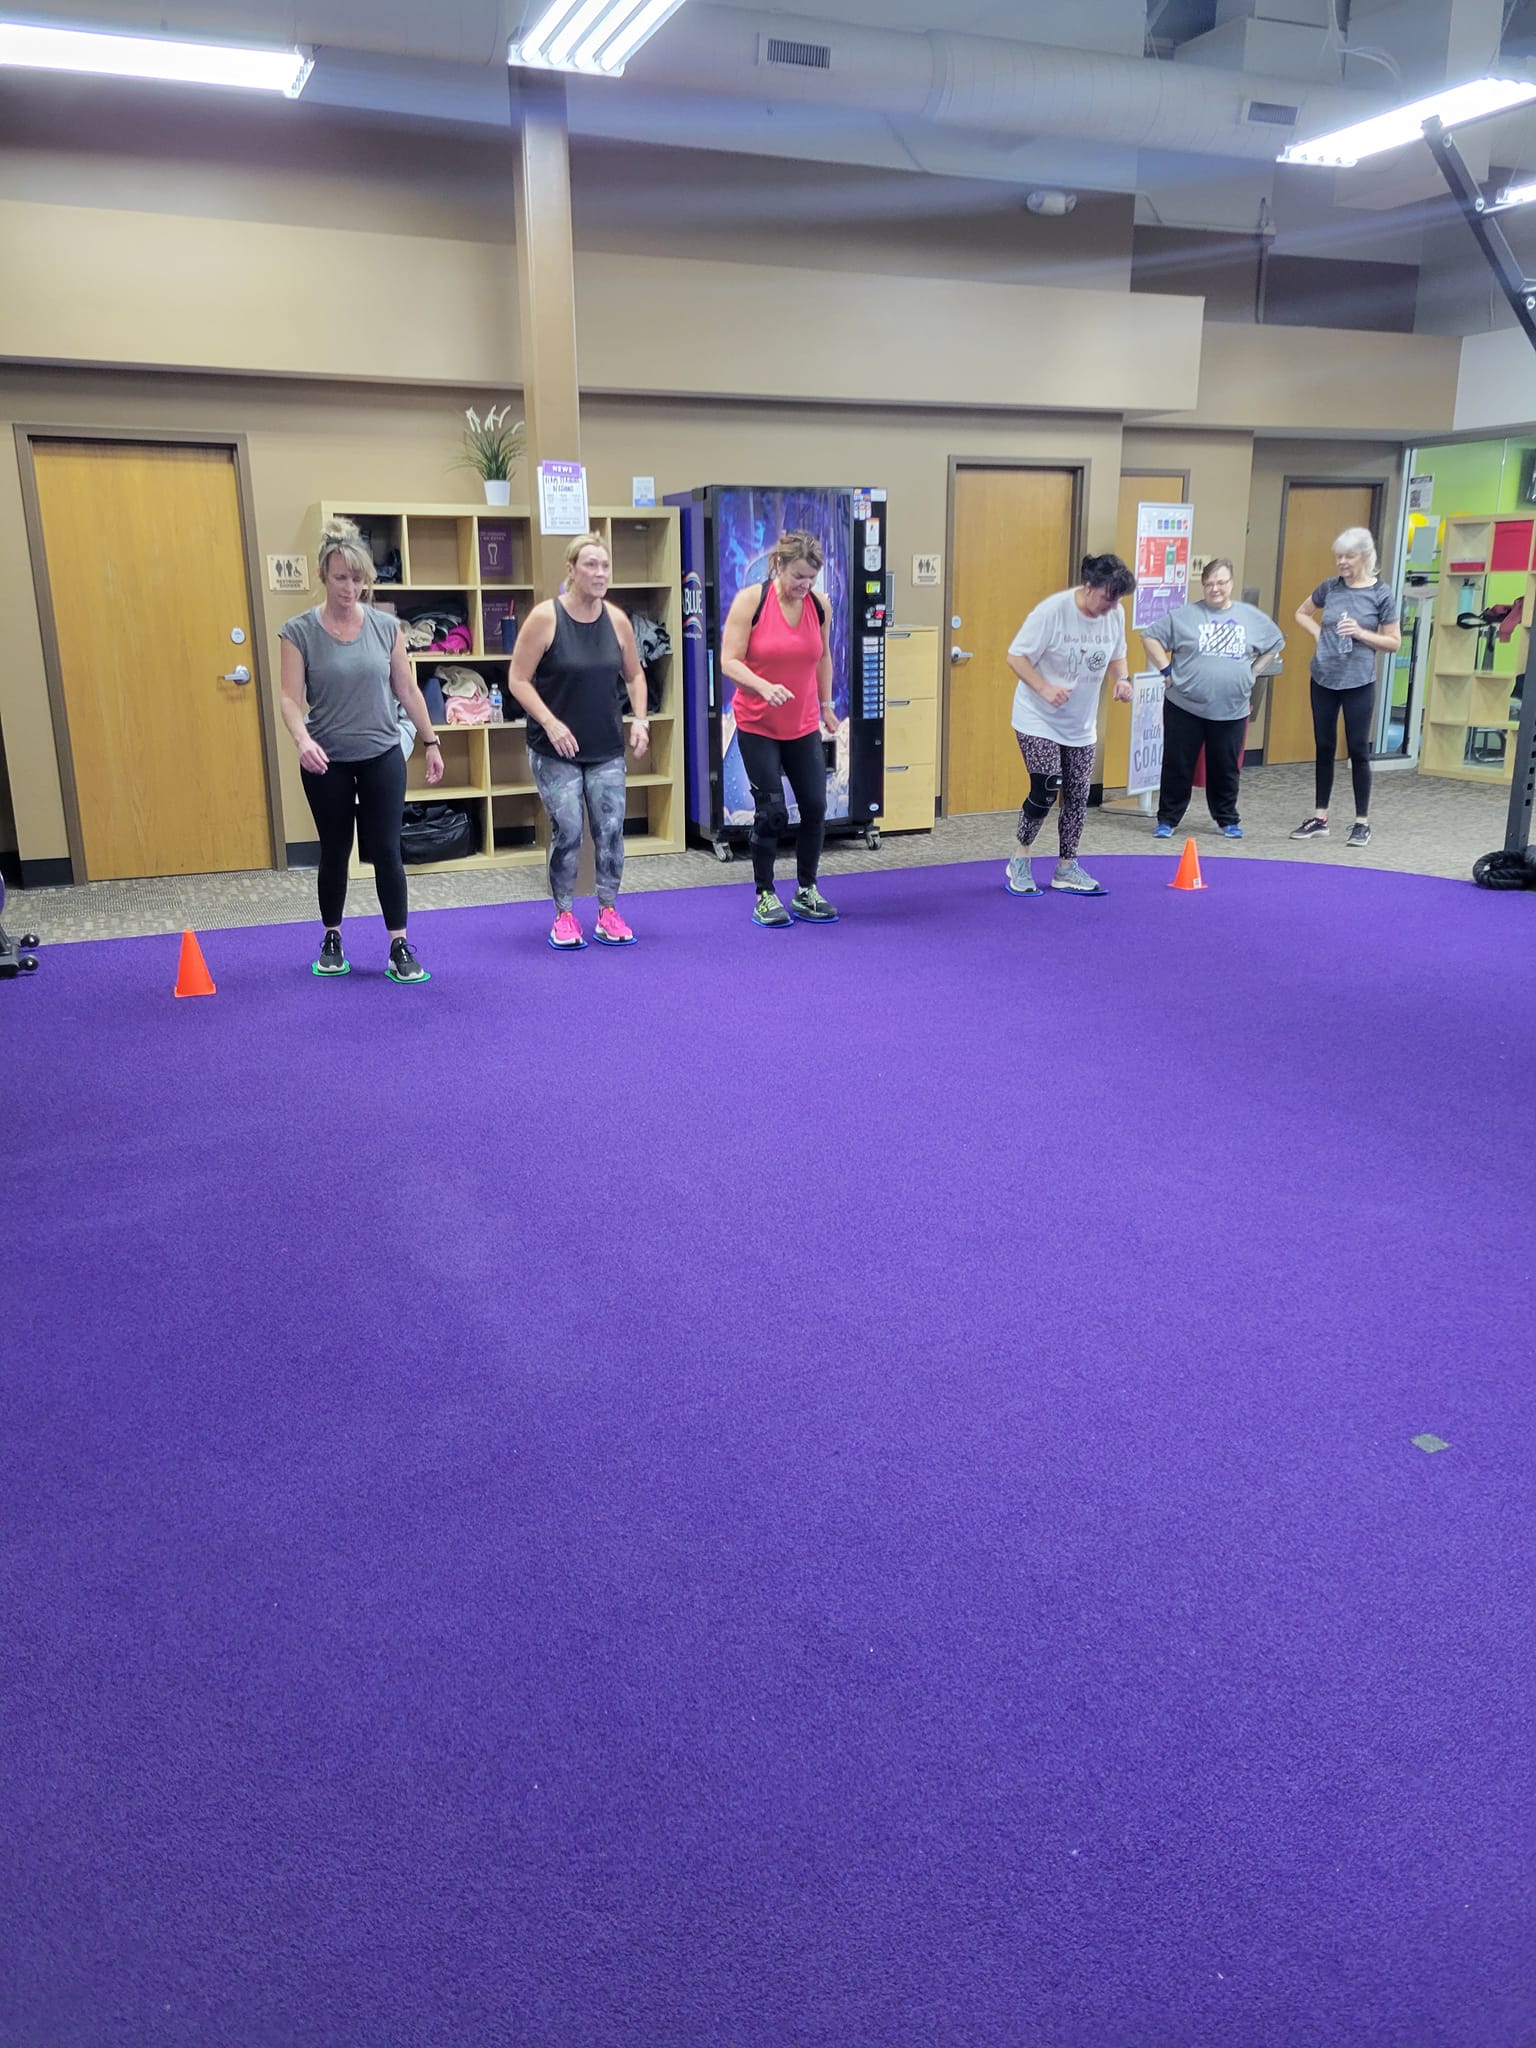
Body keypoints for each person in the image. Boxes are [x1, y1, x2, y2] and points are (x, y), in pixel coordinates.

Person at [278, 516, 442, 983]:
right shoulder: (298, 631)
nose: (350, 588)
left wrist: (431, 741)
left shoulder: (387, 627)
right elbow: (289, 698)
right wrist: (302, 740)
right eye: (340, 578)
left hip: (381, 754)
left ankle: (398, 944)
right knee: (335, 850)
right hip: (325, 759)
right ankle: (332, 937)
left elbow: (407, 690)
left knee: (387, 849)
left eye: (357, 578)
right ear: (323, 576)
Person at [507, 533, 649, 949]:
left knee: (610, 829)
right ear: (571, 570)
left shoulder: (617, 620)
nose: (600, 573)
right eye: (591, 565)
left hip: (605, 746)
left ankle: (607, 910)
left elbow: (635, 675)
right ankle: (564, 914)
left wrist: (640, 720)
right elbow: (518, 679)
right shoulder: (545, 618)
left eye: (605, 566)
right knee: (568, 829)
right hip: (555, 749)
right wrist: (550, 723)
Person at [720, 529, 841, 927]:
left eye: (811, 578)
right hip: (758, 724)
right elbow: (729, 661)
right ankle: (765, 893)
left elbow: (822, 657)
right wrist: (762, 686)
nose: (804, 585)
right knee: (771, 812)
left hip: (802, 724)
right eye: (798, 576)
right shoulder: (751, 602)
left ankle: (807, 889)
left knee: (815, 807)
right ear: (779, 565)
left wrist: (826, 706)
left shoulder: (819, 606)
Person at [1003, 552, 1135, 898]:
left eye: (1117, 600)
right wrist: (1044, 688)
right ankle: (1020, 857)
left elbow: (1117, 654)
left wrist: (1122, 679)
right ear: (1089, 586)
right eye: (1107, 597)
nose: (1112, 606)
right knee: (1047, 787)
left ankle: (1066, 867)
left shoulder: (1115, 613)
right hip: (1037, 717)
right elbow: (1015, 657)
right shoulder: (1052, 612)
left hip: (1080, 722)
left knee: (1077, 794)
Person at [1143, 559, 1284, 840]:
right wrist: (1166, 670)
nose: (1215, 589)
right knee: (1177, 764)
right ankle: (1168, 819)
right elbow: (1150, 637)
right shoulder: (1184, 616)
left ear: (1231, 583)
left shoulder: (1250, 617)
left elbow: (1276, 641)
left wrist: (1253, 672)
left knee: (1225, 767)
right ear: (1203, 585)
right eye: (1209, 584)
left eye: (1221, 583)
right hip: (1184, 705)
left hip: (1231, 708)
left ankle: (1227, 819)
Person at [1289, 526, 1401, 849]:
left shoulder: (1381, 594)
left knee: (1358, 749)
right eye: (1338, 556)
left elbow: (1394, 642)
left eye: (1348, 556)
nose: (1341, 562)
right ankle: (1320, 818)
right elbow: (1301, 613)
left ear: (1364, 557)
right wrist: (1318, 634)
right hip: (1323, 677)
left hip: (1358, 682)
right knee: (1324, 745)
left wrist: (1361, 633)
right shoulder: (1330, 587)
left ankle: (1361, 822)